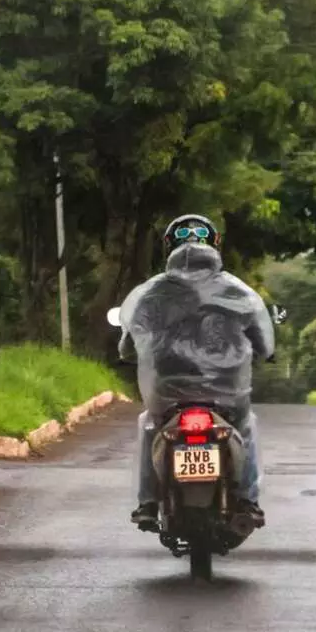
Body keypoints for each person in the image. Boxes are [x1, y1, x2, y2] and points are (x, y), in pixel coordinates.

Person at [117, 214, 275, 527]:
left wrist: (128, 354)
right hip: (227, 397)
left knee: (150, 425)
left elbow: (126, 343)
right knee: (245, 426)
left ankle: (147, 502)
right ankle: (247, 500)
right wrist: (260, 353)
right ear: (215, 245)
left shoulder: (149, 293)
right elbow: (264, 343)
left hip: (165, 397)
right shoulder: (239, 292)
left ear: (168, 248)